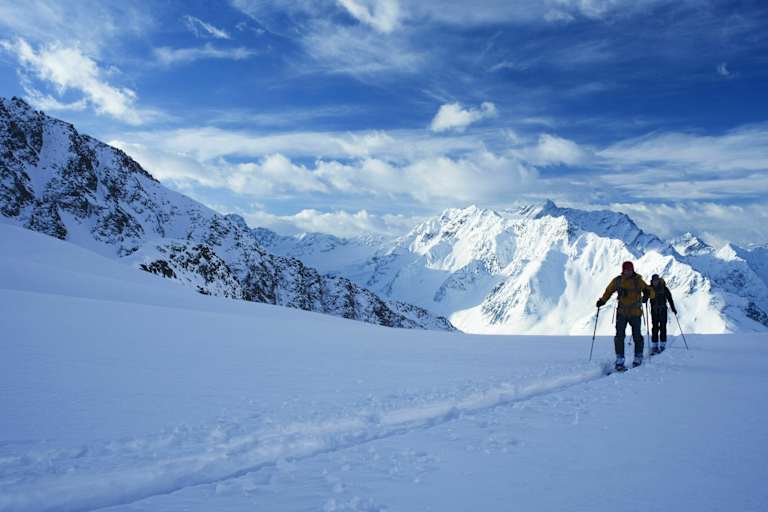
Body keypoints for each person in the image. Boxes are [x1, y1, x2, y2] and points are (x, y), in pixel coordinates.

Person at [596, 261, 655, 371]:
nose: (628, 272)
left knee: (637, 335)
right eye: (626, 270)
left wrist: (648, 293)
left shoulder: (638, 281)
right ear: (623, 270)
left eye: (630, 270)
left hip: (635, 313)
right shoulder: (618, 281)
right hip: (622, 313)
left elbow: (651, 292)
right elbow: (609, 291)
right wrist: (602, 301)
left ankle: (638, 356)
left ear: (633, 270)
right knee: (619, 336)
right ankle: (620, 359)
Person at [649, 273, 677, 354]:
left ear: (658, 280)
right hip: (654, 311)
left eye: (656, 280)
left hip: (663, 310)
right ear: (652, 281)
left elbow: (670, 299)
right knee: (655, 328)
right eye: (654, 281)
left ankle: (662, 345)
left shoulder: (664, 289)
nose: (655, 282)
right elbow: (646, 297)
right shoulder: (650, 289)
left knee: (663, 327)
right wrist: (644, 298)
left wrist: (673, 308)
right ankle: (655, 346)